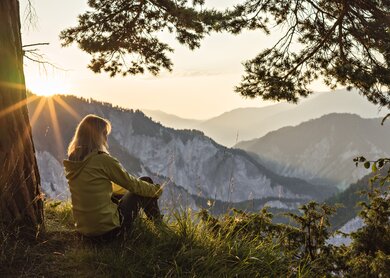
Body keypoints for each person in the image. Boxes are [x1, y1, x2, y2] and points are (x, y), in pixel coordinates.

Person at [63, 114, 162, 241]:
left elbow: (100, 187)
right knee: (145, 182)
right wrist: (157, 191)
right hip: (109, 234)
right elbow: (132, 184)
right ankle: (160, 228)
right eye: (104, 134)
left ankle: (158, 227)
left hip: (85, 233)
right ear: (97, 136)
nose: (106, 138)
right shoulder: (102, 160)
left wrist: (125, 194)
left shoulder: (74, 161)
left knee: (120, 194)